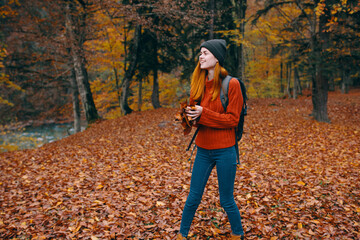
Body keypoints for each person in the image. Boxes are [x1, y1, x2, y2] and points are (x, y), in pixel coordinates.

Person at [177, 39, 245, 240]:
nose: (201, 56)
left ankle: (237, 235)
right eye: (200, 53)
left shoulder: (232, 84)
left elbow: (233, 119)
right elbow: (196, 122)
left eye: (205, 53)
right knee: (193, 197)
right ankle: (182, 235)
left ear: (217, 58)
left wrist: (203, 113)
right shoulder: (198, 84)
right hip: (203, 150)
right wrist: (188, 118)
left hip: (225, 150)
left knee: (226, 200)